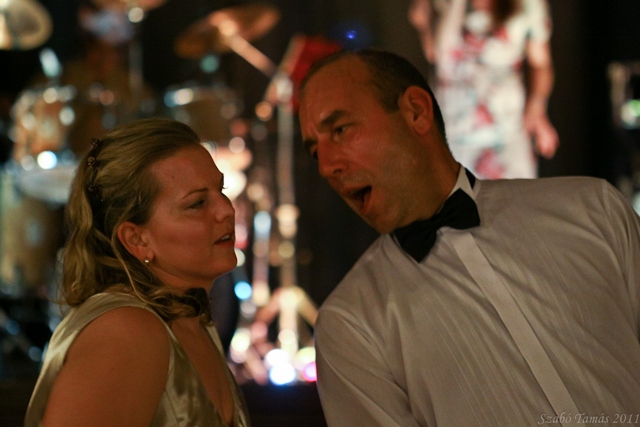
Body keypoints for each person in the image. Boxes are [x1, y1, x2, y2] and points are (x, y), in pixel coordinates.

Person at [298, 49, 640, 426]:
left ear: (416, 111)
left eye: (340, 130)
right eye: (315, 152)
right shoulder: (350, 324)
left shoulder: (592, 209)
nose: (326, 166)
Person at [24, 118, 250, 426]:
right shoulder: (125, 333)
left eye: (220, 189)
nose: (226, 209)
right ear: (137, 239)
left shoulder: (191, 319)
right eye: (197, 203)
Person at [408, 0, 558, 179]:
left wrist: (536, 108)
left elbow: (540, 64)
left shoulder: (528, 4)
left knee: (511, 196)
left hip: (506, 132)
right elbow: (436, 53)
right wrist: (423, 20)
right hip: (451, 132)